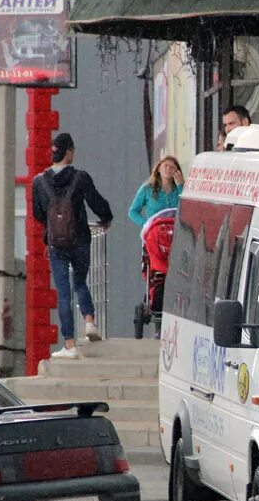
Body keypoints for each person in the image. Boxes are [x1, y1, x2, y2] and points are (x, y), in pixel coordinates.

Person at [31, 133, 114, 360]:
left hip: (57, 244)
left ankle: (69, 345)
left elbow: (38, 214)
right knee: (79, 281)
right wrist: (106, 218)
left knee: (63, 293)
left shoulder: (39, 182)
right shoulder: (81, 178)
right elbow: (96, 201)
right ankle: (89, 322)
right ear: (68, 152)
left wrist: (53, 228)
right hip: (81, 240)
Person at [128, 155, 185, 227]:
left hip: (177, 234)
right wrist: (146, 223)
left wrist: (180, 186)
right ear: (159, 169)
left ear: (177, 171)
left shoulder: (183, 188)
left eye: (172, 167)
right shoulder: (147, 188)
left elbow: (188, 209)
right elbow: (133, 212)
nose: (168, 168)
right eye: (165, 165)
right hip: (155, 234)